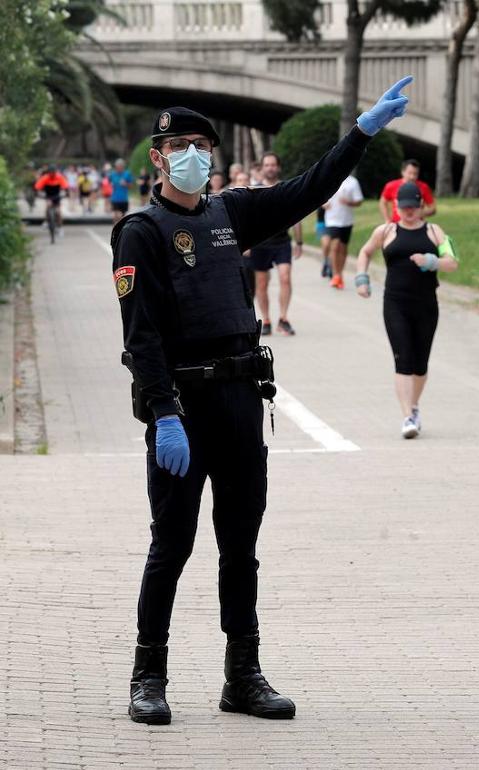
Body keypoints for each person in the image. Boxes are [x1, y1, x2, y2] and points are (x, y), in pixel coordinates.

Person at [112, 78, 412, 726]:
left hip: (241, 402)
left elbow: (308, 189)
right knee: (172, 543)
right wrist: (163, 414)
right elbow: (141, 337)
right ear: (158, 157)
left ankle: (242, 676)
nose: (192, 154)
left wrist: (360, 134)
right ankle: (147, 674)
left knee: (240, 544)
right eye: (178, 146)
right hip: (182, 411)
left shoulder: (232, 213)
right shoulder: (141, 232)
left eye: (201, 145)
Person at [354, 181, 458, 438]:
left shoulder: (435, 232)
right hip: (395, 304)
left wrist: (431, 261)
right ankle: (407, 418)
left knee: (420, 364)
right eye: (403, 207)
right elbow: (365, 252)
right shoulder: (386, 230)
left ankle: (414, 405)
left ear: (421, 206)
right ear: (396, 206)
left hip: (426, 304)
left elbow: (452, 262)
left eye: (413, 207)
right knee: (403, 359)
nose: (408, 212)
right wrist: (361, 278)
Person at [248, 152, 302, 336]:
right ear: (262, 168)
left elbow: (297, 215)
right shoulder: (254, 190)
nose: (270, 168)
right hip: (260, 244)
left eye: (273, 165)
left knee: (285, 277)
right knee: (262, 284)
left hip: (282, 242)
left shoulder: (286, 188)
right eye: (267, 165)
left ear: (278, 167)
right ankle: (267, 320)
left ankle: (284, 319)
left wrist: (299, 241)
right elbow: (248, 219)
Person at [323, 173, 364, 289]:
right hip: (332, 219)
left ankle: (340, 273)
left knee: (343, 247)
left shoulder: (353, 182)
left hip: (346, 220)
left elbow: (359, 201)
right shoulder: (329, 178)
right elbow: (319, 195)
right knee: (335, 245)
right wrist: (323, 204)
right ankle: (335, 274)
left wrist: (349, 202)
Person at [34, 166, 70, 233]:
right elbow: (37, 186)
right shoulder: (45, 178)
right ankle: (47, 221)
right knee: (48, 206)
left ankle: (60, 227)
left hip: (56, 195)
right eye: (51, 173)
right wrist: (37, 193)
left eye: (53, 172)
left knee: (58, 212)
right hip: (48, 195)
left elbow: (65, 186)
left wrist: (66, 193)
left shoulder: (59, 177)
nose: (52, 174)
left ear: (55, 172)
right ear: (48, 172)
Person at [108, 159, 135, 223]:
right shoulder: (112, 174)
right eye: (117, 166)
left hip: (124, 199)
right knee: (116, 216)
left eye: (120, 166)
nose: (118, 168)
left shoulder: (127, 174)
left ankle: (120, 231)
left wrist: (125, 184)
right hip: (115, 199)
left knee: (122, 218)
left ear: (123, 166)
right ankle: (115, 230)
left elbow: (131, 186)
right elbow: (109, 183)